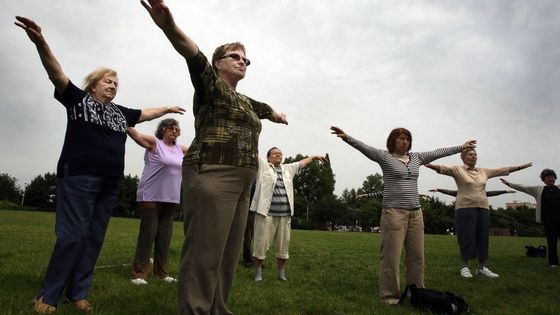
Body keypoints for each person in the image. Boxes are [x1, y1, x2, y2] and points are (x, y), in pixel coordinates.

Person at [15, 16, 185, 314]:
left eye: (116, 83)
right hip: (79, 176)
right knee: (72, 235)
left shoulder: (120, 113)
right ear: (93, 84)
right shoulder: (78, 100)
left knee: (93, 238)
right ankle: (48, 295)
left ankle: (78, 292)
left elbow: (145, 113)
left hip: (110, 183)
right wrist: (41, 42)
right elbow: (56, 73)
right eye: (108, 81)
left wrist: (168, 108)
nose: (113, 86)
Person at [141, 1, 288, 314]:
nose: (242, 61)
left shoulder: (245, 100)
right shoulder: (210, 84)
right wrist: (168, 25)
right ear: (218, 63)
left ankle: (217, 307)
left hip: (242, 180)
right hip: (212, 171)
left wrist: (277, 114)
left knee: (228, 252)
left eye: (246, 59)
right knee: (205, 251)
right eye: (234, 56)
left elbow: (264, 108)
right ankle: (195, 309)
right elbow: (191, 52)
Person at [330, 126, 476, 305]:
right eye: (401, 138)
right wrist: (347, 137)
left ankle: (416, 293)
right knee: (391, 256)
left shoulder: (416, 157)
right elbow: (364, 148)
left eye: (407, 138)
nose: (405, 141)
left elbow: (437, 152)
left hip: (416, 213)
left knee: (417, 256)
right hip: (393, 213)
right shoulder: (385, 157)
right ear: (393, 141)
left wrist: (460, 147)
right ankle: (390, 296)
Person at [425, 149, 532, 278]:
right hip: (464, 208)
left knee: (483, 237)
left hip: (483, 208)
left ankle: (481, 267)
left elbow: (503, 169)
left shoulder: (484, 172)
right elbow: (443, 168)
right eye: (471, 154)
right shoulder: (458, 170)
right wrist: (431, 165)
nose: (474, 156)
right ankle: (464, 266)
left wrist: (521, 167)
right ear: (463, 157)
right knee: (466, 236)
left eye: (475, 154)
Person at [250, 147, 327, 282]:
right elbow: (252, 153)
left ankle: (281, 274)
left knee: (283, 247)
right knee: (260, 245)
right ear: (268, 157)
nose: (278, 155)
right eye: (274, 153)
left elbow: (301, 163)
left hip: (285, 216)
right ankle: (258, 274)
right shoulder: (262, 166)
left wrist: (314, 157)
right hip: (265, 214)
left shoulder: (288, 169)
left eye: (280, 154)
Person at [127, 119, 188, 285]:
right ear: (162, 130)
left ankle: (162, 273)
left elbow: (200, 152)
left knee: (164, 237)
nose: (175, 131)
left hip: (170, 198)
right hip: (151, 195)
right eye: (171, 128)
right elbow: (136, 135)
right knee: (148, 235)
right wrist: (123, 119)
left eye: (177, 128)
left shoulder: (179, 149)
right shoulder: (155, 144)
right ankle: (138, 274)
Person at [500, 169, 560, 267]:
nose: (551, 179)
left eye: (552, 177)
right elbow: (524, 187)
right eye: (548, 177)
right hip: (549, 221)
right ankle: (553, 263)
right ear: (544, 180)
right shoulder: (538, 190)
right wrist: (509, 184)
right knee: (552, 241)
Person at [242, 182, 257, 267]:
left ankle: (255, 259)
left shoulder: (257, 183)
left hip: (255, 212)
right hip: (249, 212)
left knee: (256, 238)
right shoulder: (251, 183)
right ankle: (247, 260)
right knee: (248, 237)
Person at [429, 188, 516, 197]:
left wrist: (505, 191)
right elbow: (450, 192)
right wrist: (438, 190)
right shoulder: (462, 193)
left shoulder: (479, 193)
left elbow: (492, 193)